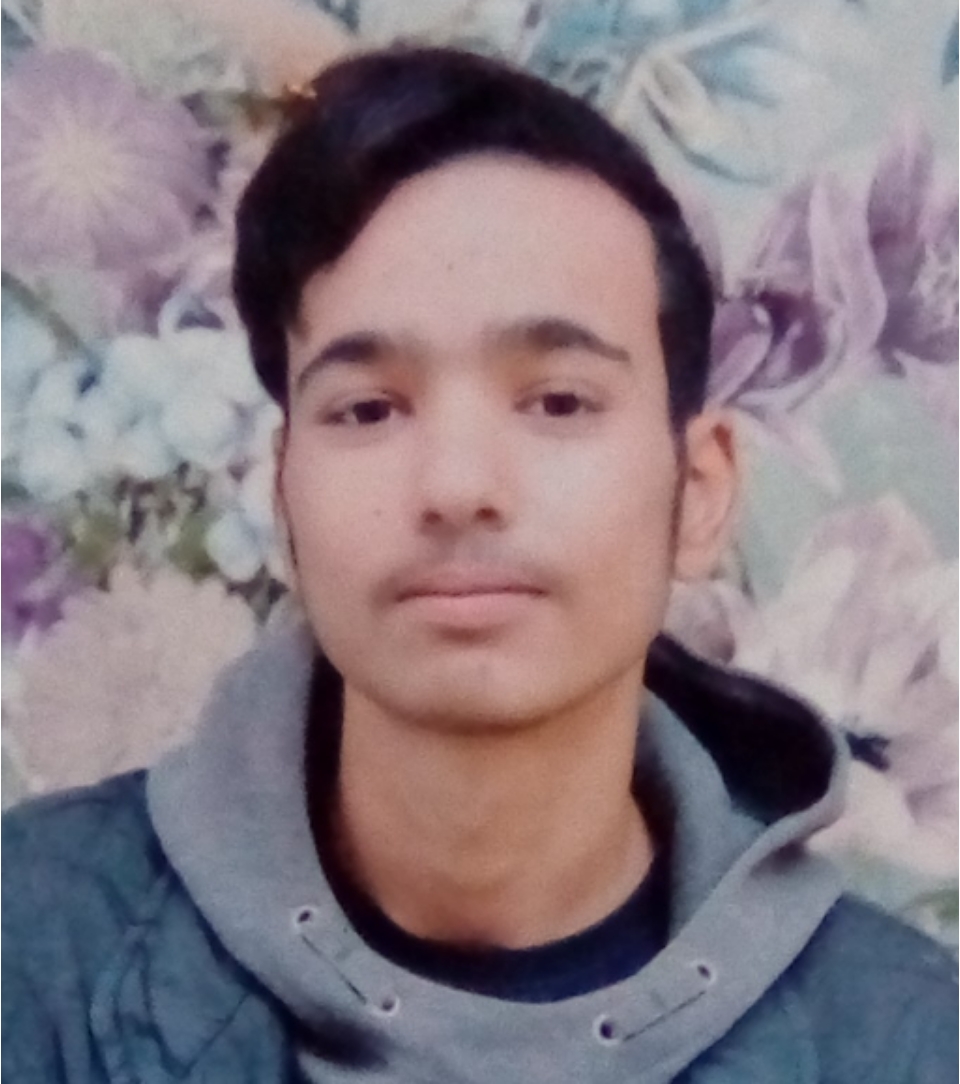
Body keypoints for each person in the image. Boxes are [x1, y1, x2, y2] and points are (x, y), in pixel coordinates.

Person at [3, 46, 955, 1083]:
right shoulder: (32, 954)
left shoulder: (905, 1040)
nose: (457, 485)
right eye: (369, 409)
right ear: (283, 493)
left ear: (701, 488)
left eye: (559, 401)